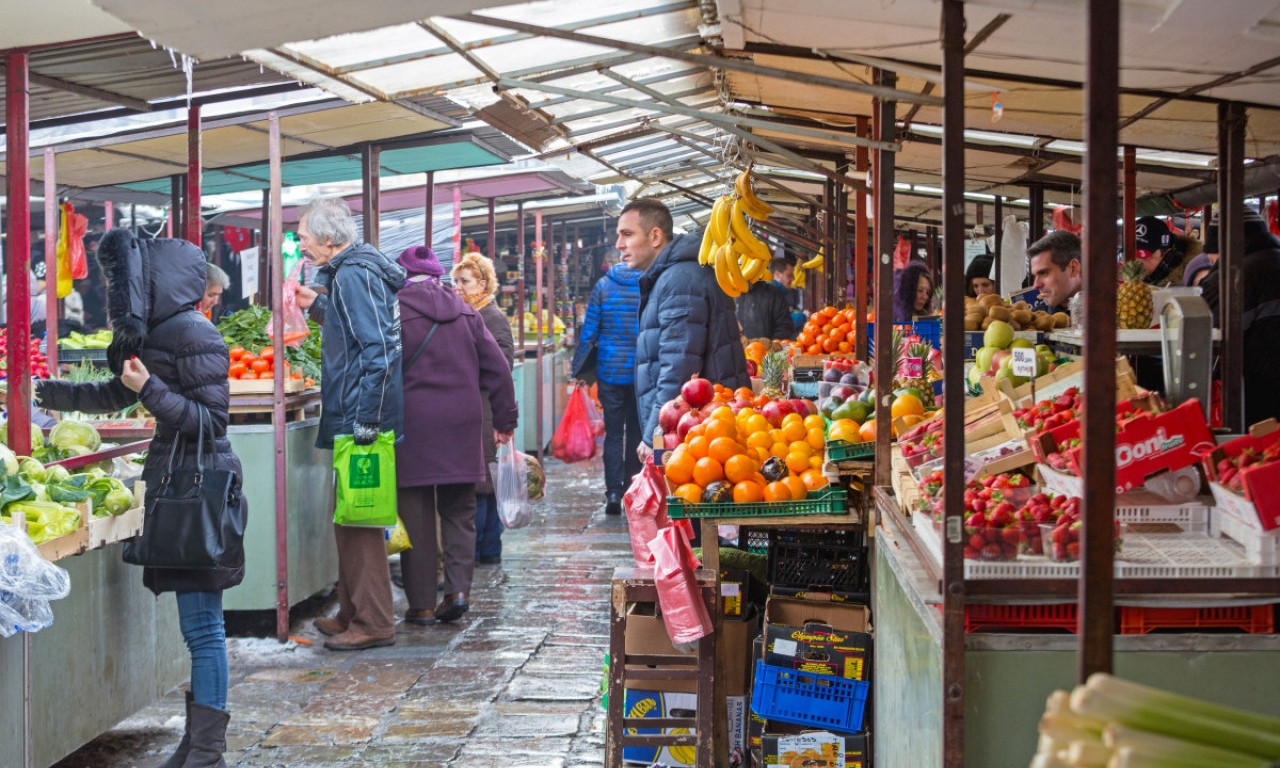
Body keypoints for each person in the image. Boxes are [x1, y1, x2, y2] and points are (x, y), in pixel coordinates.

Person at [36, 228, 245, 768]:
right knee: (198, 626)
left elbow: (211, 422)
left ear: (152, 281)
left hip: (200, 486)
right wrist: (44, 392)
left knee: (204, 628)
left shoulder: (197, 333)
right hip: (176, 483)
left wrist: (149, 390)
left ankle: (206, 750)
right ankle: (197, 746)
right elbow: (115, 390)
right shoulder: (158, 330)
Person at [293, 197, 406, 651]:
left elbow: (378, 351)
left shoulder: (354, 273)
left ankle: (374, 621)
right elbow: (353, 330)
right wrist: (314, 306)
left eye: (303, 236)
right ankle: (353, 609)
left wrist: (366, 421)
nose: (300, 244)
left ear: (328, 238)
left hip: (362, 416)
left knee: (360, 519)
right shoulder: (349, 272)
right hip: (356, 410)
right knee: (349, 516)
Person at [397, 245, 517, 625]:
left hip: (413, 426)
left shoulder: (393, 311)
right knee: (459, 512)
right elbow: (499, 369)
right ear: (437, 276)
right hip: (463, 424)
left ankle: (420, 604)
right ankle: (458, 591)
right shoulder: (467, 312)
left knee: (415, 513)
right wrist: (505, 419)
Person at [624, 198, 749, 458]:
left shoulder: (679, 281)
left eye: (627, 234)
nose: (619, 245)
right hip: (702, 425)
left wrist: (653, 435)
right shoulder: (675, 276)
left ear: (655, 236)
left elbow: (678, 366)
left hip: (697, 431)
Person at [450, 251, 517, 561]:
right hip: (477, 409)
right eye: (455, 282)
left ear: (483, 284)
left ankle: (482, 550)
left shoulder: (491, 318)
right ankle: (488, 550)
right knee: (486, 485)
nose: (458, 288)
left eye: (464, 282)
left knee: (482, 486)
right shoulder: (468, 315)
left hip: (486, 410)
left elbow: (501, 368)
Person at [572, 253, 643, 515]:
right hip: (639, 372)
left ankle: (613, 492)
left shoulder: (603, 285)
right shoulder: (647, 282)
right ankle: (633, 491)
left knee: (613, 435)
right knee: (637, 433)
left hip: (609, 371)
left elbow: (589, 331)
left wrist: (577, 367)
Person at [1199, 207, 1280, 426]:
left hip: (1255, 398)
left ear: (1225, 247)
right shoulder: (1273, 260)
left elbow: (1208, 335)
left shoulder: (1234, 277)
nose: (1211, 259)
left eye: (1213, 253)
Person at [735, 256, 797, 340]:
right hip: (738, 351)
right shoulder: (730, 293)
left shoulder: (773, 293)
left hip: (768, 351)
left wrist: (771, 347)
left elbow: (784, 326)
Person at [1134, 215, 1200, 288]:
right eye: (1130, 255)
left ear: (1166, 253)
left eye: (1144, 256)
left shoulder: (1193, 281)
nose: (1136, 262)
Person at [1027, 229, 1083, 314]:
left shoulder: (1107, 315)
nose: (1036, 285)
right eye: (1035, 276)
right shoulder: (1035, 320)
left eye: (1044, 273)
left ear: (1073, 268)